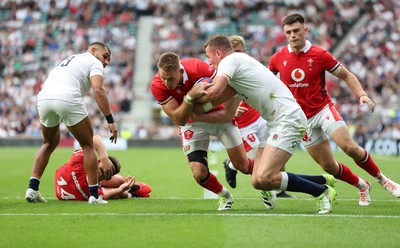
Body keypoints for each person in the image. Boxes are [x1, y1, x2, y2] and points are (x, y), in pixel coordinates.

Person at [195, 34, 336, 214]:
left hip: (288, 119)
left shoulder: (230, 61)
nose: (209, 63)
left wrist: (190, 97)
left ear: (218, 53)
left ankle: (321, 192)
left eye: (209, 58)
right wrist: (195, 111)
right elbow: (219, 102)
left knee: (265, 176)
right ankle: (319, 181)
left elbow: (215, 92)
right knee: (257, 181)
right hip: (274, 122)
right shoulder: (239, 65)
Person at [268, 13, 400, 205]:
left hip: (323, 110)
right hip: (302, 120)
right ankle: (362, 186)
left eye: (296, 30)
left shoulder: (320, 54)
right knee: (329, 166)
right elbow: (264, 84)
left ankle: (384, 180)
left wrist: (362, 94)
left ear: (305, 30)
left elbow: (346, 75)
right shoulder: (277, 58)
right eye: (288, 32)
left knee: (349, 147)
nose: (293, 35)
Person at [150, 52, 254, 211]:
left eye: (170, 78)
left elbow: (225, 88)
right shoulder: (157, 85)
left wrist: (227, 110)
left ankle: (264, 181)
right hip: (192, 124)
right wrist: (190, 97)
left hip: (217, 116)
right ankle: (225, 195)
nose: (166, 82)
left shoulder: (197, 67)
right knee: (199, 173)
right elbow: (179, 119)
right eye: (163, 77)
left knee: (243, 166)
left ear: (180, 71)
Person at [25, 42, 119, 204]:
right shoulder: (94, 61)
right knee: (88, 145)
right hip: (66, 97)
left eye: (109, 60)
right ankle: (94, 195)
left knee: (48, 143)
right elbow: (98, 90)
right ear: (93, 50)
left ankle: (32, 188)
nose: (106, 62)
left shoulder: (71, 59)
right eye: (105, 56)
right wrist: (110, 120)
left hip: (44, 98)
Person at [222, 35, 293, 198]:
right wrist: (230, 110)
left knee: (277, 153)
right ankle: (232, 165)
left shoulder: (252, 66)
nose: (236, 55)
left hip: (261, 118)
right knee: (256, 165)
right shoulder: (224, 71)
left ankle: (280, 191)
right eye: (232, 52)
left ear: (244, 51)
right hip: (243, 125)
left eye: (238, 51)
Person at [55, 135, 152, 201]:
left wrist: (123, 189)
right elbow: (94, 138)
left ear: (107, 177)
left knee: (120, 182)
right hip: (81, 179)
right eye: (102, 169)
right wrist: (104, 157)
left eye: (106, 173)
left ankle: (130, 189)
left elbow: (107, 194)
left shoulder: (94, 189)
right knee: (120, 182)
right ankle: (131, 191)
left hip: (76, 182)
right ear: (97, 161)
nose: (100, 173)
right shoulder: (79, 162)